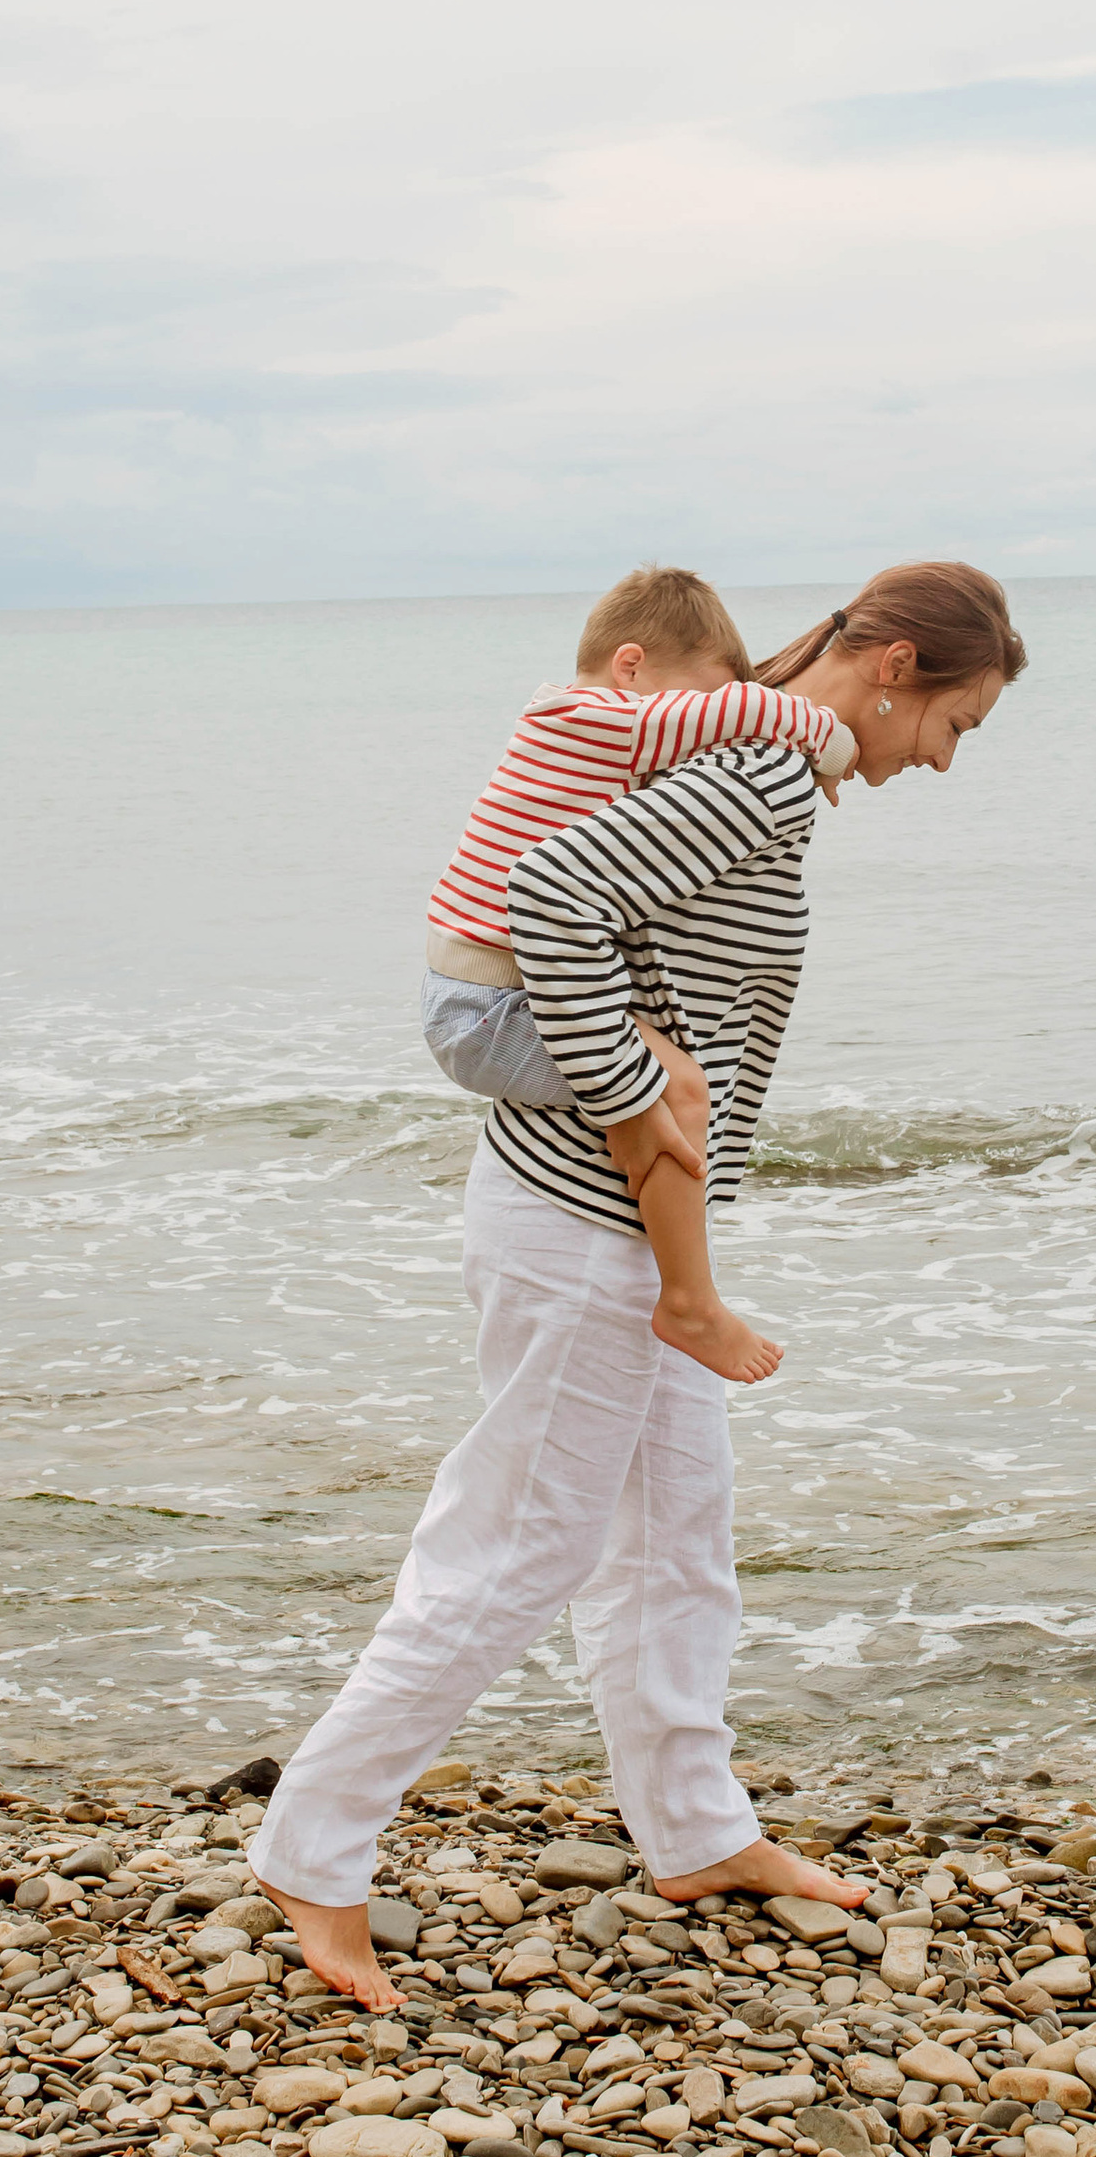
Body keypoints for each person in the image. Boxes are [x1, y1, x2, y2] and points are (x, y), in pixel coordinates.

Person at [254, 559, 1028, 2010]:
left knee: (677, 1531)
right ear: (899, 667)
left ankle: (697, 1832)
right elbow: (550, 898)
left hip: (612, 1224)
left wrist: (659, 1114)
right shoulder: (757, 773)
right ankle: (313, 1847)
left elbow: (616, 936)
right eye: (957, 725)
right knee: (520, 1549)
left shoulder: (756, 762)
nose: (940, 760)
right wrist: (639, 1089)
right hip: (576, 1226)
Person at [421, 562, 858, 1385]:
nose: (699, 725)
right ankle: (689, 1300)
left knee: (666, 1086)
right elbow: (749, 708)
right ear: (632, 668)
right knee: (677, 1091)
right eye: (692, 699)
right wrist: (829, 741)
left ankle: (687, 1289)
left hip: (469, 996)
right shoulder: (613, 720)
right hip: (489, 1006)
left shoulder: (558, 718)